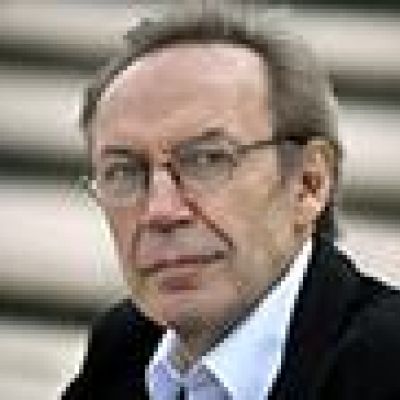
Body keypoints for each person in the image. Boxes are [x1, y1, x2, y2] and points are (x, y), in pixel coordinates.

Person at [62, 4, 400, 400]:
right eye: (124, 171)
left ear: (309, 184)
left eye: (207, 160)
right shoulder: (124, 347)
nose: (160, 211)